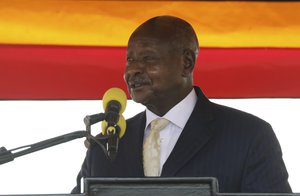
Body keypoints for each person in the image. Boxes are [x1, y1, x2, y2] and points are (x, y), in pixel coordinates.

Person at [72, 15, 292, 193]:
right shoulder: (104, 146)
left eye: (148, 59)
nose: (132, 71)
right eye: (130, 60)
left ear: (186, 63)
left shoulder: (248, 136)